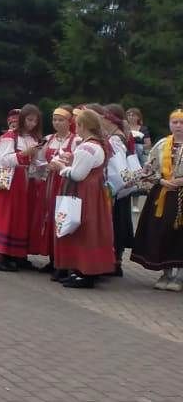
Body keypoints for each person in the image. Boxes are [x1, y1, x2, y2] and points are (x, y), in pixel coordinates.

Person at [50, 108, 115, 288]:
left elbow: (78, 175)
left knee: (83, 230)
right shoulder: (97, 145)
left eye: (77, 123)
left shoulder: (87, 147)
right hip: (93, 193)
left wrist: (60, 167)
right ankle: (81, 271)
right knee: (89, 230)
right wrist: (71, 161)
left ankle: (85, 273)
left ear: (83, 125)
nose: (75, 127)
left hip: (84, 193)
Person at [130, 109, 183, 290]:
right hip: (163, 194)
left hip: (181, 194)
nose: (178, 126)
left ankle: (180, 277)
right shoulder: (161, 144)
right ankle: (166, 272)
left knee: (180, 235)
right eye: (174, 122)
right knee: (163, 232)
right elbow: (148, 169)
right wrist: (161, 180)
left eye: (181, 123)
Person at [0, 104, 42, 271]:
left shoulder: (33, 138)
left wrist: (38, 164)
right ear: (23, 119)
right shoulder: (10, 137)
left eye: (35, 121)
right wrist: (24, 154)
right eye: (29, 119)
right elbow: (3, 159)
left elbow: (34, 161)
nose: (31, 124)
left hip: (27, 181)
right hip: (10, 181)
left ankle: (17, 254)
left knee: (22, 217)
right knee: (6, 216)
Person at [34, 107, 77, 272]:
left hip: (65, 183)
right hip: (49, 183)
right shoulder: (48, 139)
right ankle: (53, 258)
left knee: (62, 217)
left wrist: (63, 165)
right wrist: (46, 166)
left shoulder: (75, 140)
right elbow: (38, 161)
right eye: (54, 119)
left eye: (61, 120)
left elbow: (77, 163)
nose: (57, 123)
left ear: (69, 122)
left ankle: (63, 261)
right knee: (49, 217)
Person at [103, 104, 138, 276]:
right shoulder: (122, 135)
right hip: (122, 186)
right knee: (120, 221)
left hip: (116, 186)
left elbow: (117, 164)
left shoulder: (116, 139)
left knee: (116, 223)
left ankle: (114, 261)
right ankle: (116, 261)